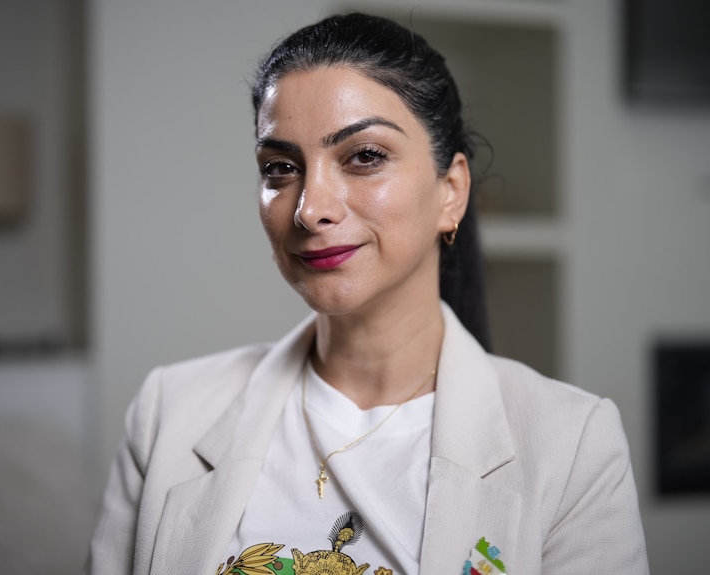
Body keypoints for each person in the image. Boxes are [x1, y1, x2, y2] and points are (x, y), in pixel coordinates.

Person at [85, 13, 649, 575]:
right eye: (281, 167)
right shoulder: (169, 413)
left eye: (364, 157)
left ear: (450, 191)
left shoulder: (572, 444)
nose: (310, 209)